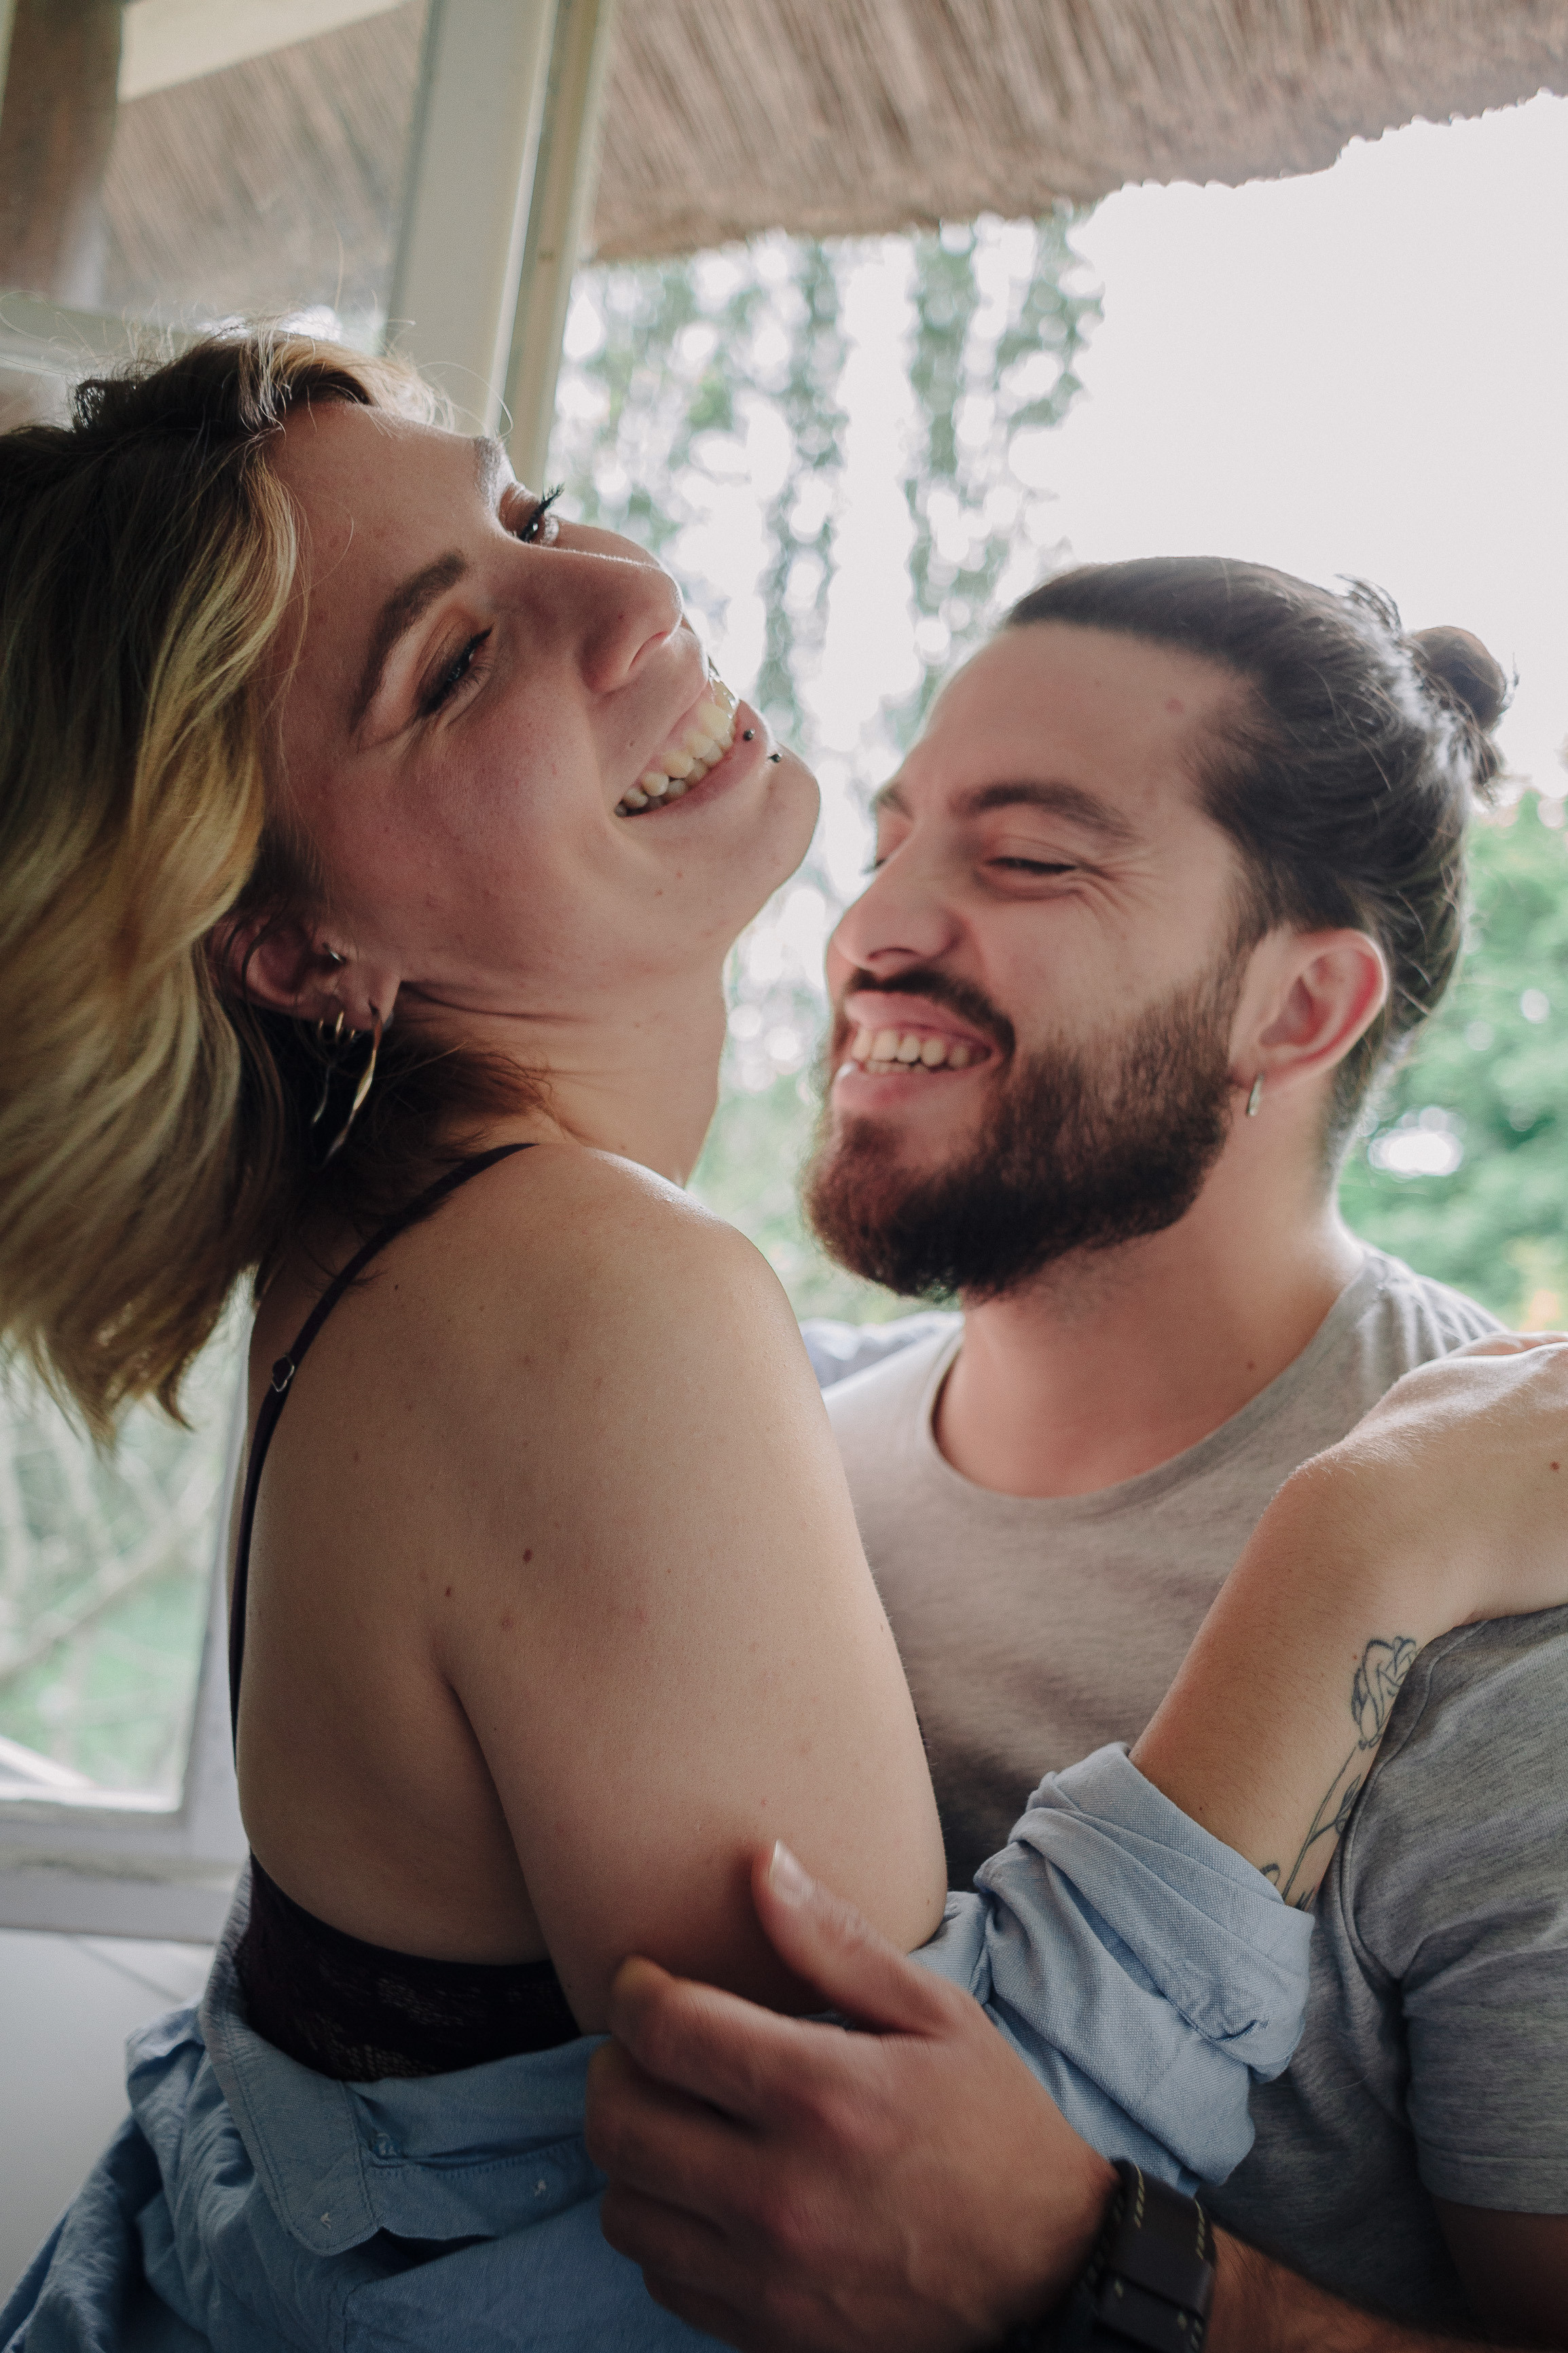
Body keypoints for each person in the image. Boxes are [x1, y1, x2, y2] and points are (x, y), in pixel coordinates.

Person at [0, 338, 1561, 2352]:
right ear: (300, 950)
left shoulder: (1512, 1635)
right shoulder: (598, 1308)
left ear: (1304, 1009)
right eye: (452, 662)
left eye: (533, 512)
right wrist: (1352, 1553)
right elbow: (873, 2200)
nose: (632, 586)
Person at [587, 565, 1568, 2345]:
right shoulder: (776, 1445)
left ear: (1300, 1007)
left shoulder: (1511, 1595)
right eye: (894, 840)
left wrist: (1088, 2260)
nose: (870, 924)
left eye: (1028, 858)